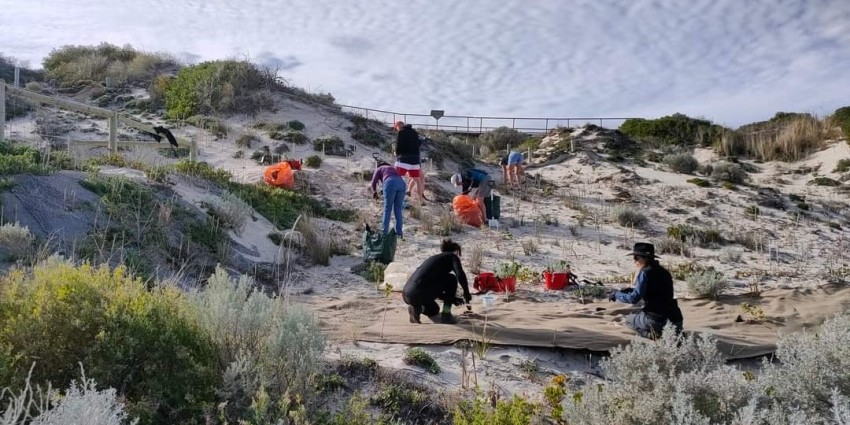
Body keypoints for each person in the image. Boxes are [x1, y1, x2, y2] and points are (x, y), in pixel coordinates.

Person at [609, 243, 684, 339]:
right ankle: (673, 335)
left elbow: (633, 298)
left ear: (646, 258)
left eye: (636, 258)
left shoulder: (645, 273)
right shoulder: (664, 272)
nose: (634, 261)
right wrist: (631, 290)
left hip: (657, 321)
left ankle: (653, 336)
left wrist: (616, 294)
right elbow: (656, 291)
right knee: (640, 314)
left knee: (629, 320)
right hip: (676, 320)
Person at [403, 239, 472, 324]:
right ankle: (446, 314)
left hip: (407, 295)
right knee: (452, 279)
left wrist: (452, 299)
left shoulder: (435, 260)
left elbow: (433, 288)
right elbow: (460, 274)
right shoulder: (452, 256)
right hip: (418, 292)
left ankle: (416, 310)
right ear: (456, 251)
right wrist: (466, 292)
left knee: (434, 310)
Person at [370, 161, 406, 239]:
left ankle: (384, 233)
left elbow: (373, 182)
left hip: (390, 183)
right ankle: (399, 233)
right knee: (398, 209)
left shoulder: (379, 168)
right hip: (402, 183)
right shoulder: (393, 168)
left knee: (387, 208)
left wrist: (374, 192)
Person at [393, 121, 425, 202]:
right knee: (417, 179)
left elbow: (398, 144)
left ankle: (396, 196)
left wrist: (396, 153)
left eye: (396, 128)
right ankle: (421, 200)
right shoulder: (415, 132)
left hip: (404, 159)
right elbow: (418, 144)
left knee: (396, 176)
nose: (396, 130)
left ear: (398, 126)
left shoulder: (401, 132)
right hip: (415, 160)